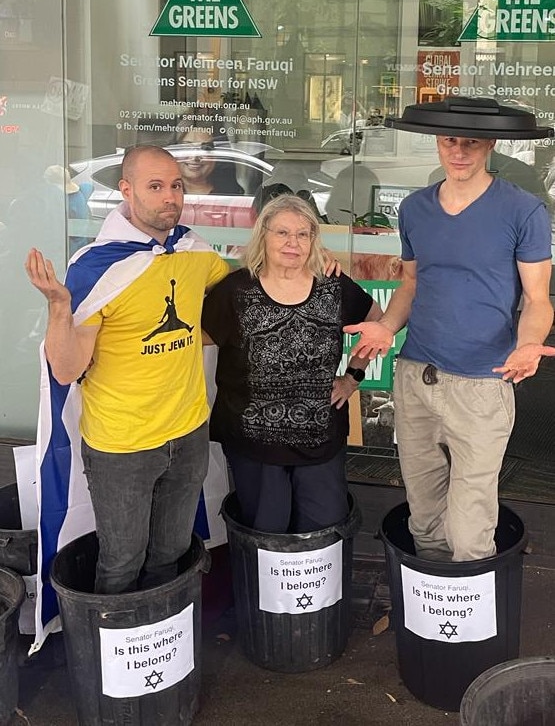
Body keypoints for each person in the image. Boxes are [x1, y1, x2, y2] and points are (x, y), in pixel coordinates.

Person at [25, 144, 230, 594]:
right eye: (155, 187)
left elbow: (240, 293)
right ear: (126, 190)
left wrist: (312, 263)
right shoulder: (95, 267)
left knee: (172, 555)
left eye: (175, 186)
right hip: (122, 446)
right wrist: (60, 306)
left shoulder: (194, 251)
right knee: (121, 563)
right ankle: (114, 660)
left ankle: (164, 651)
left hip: (188, 431)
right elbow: (66, 369)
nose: (169, 197)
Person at [345, 133, 555, 562]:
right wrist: (386, 326)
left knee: (469, 523)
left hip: (482, 383)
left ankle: (470, 621)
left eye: (471, 143)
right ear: (438, 143)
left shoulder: (521, 209)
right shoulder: (415, 209)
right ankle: (431, 616)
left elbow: (537, 299)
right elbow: (411, 283)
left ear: (491, 144)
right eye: (449, 141)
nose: (458, 152)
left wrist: (528, 343)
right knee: (423, 514)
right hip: (416, 374)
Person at [201, 194, 383, 534]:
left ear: (314, 240)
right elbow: (196, 338)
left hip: (321, 442)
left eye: (303, 234)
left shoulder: (334, 287)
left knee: (322, 534)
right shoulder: (235, 290)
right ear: (263, 235)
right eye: (282, 233)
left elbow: (377, 324)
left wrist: (352, 378)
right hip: (254, 445)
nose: (293, 243)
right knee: (265, 534)